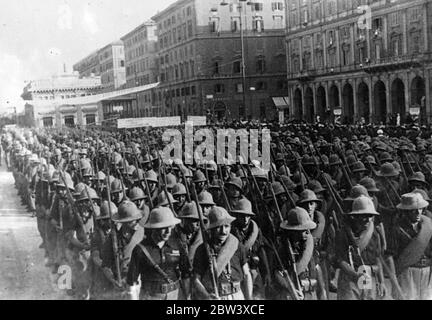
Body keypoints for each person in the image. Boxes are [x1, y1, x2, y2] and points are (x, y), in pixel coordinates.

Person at [193, 206, 253, 300]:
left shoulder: (237, 246)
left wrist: (249, 298)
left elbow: (246, 274)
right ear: (211, 229)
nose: (223, 231)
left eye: (226, 226)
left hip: (237, 295)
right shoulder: (202, 249)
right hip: (216, 297)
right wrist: (207, 296)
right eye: (218, 227)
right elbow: (196, 280)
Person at [126, 207, 184, 300]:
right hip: (150, 296)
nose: (168, 231)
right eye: (163, 228)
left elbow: (186, 275)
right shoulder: (140, 250)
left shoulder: (177, 245)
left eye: (170, 227)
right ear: (154, 228)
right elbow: (131, 283)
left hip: (174, 296)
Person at [336, 196, 386, 300]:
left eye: (370, 216)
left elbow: (377, 258)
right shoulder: (344, 233)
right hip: (349, 279)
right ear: (355, 216)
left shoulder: (374, 234)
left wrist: (381, 282)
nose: (368, 219)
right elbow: (340, 261)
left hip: (369, 277)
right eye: (364, 216)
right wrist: (355, 275)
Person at [388, 193, 432, 300]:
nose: (418, 212)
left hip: (427, 271)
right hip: (407, 271)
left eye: (420, 209)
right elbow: (389, 255)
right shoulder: (397, 229)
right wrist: (394, 280)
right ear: (405, 211)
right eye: (414, 210)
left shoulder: (428, 225)